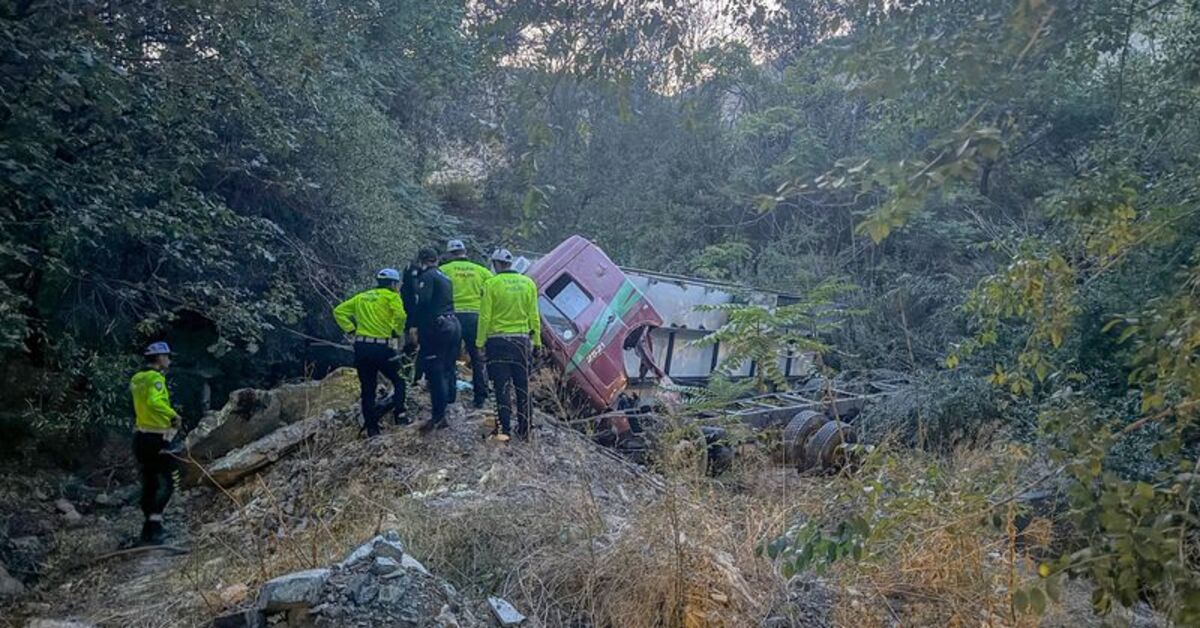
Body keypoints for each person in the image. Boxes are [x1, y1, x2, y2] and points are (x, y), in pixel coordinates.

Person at [333, 268, 409, 437]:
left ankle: (372, 429)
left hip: (362, 347)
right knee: (399, 380)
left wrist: (351, 330)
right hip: (383, 347)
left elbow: (338, 311)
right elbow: (401, 316)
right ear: (393, 283)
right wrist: (396, 332)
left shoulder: (362, 297)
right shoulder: (392, 296)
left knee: (368, 388)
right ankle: (400, 416)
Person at [477, 248, 541, 441]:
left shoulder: (491, 284)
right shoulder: (528, 283)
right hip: (521, 342)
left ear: (496, 264)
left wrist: (480, 343)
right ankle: (525, 428)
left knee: (501, 387)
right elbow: (534, 317)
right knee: (522, 387)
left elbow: (485, 316)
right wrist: (537, 342)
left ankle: (504, 429)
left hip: (498, 343)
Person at [130, 341, 181, 545]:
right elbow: (154, 401)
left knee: (149, 482)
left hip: (140, 438)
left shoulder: (136, 378)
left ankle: (147, 530)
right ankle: (156, 527)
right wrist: (173, 414)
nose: (169, 360)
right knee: (168, 483)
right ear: (159, 358)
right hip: (156, 438)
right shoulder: (155, 378)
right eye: (167, 356)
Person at [411, 247, 462, 432]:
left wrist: (416, 326)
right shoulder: (444, 276)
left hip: (439, 327)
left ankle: (438, 417)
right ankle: (449, 404)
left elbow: (423, 302)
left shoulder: (428, 277)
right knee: (448, 368)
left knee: (436, 371)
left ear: (422, 260)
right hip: (453, 324)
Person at [440, 239, 494, 408]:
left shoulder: (443, 270)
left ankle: (450, 396)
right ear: (465, 253)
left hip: (453, 317)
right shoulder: (482, 272)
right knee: (477, 357)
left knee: (450, 356)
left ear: (449, 254)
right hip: (475, 317)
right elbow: (493, 290)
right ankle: (480, 397)